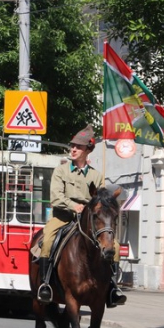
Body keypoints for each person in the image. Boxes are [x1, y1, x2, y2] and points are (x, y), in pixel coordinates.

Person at [37, 125, 126, 307]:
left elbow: (100, 199)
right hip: (63, 217)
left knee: (114, 245)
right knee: (46, 241)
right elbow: (56, 196)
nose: (74, 149)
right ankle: (45, 284)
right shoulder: (60, 171)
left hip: (89, 221)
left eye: (78, 147)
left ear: (88, 150)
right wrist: (73, 206)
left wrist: (93, 209)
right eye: (72, 146)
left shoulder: (96, 175)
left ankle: (112, 287)